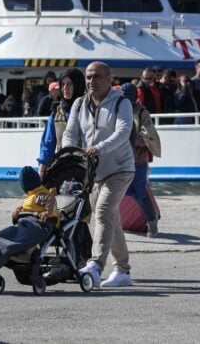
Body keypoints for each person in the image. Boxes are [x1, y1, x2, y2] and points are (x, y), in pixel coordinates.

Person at [63, 61, 135, 289]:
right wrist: (69, 153)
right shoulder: (79, 104)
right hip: (93, 172)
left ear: (108, 79)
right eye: (88, 77)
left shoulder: (121, 102)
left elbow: (123, 132)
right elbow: (70, 132)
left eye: (97, 77)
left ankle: (95, 266)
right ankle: (123, 270)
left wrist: (99, 148)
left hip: (120, 169)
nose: (91, 81)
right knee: (111, 218)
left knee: (103, 211)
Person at [0, 166, 58, 272]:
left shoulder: (42, 194)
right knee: (7, 233)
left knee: (25, 235)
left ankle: (25, 254)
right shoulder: (29, 197)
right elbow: (26, 209)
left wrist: (47, 212)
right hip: (25, 223)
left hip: (40, 225)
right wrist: (17, 213)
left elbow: (51, 203)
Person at [119, 83, 162, 238]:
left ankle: (151, 221)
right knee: (113, 192)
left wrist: (133, 138)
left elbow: (149, 137)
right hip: (119, 160)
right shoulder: (115, 110)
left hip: (137, 161)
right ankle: (113, 225)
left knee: (139, 194)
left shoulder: (142, 113)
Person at [37, 68, 86, 178]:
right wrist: (42, 168)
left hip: (87, 168)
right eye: (63, 84)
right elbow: (48, 143)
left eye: (70, 84)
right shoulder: (56, 112)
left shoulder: (89, 109)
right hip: (63, 168)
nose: (65, 88)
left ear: (78, 84)